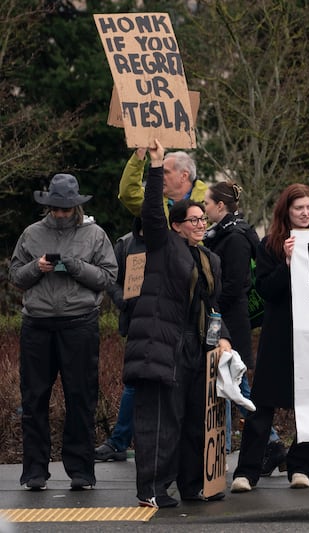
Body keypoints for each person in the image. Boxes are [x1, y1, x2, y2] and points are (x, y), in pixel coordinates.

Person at [123, 140, 232, 508]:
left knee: (192, 422)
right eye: (193, 220)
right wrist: (155, 164)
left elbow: (211, 306)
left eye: (204, 219)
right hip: (162, 343)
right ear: (176, 225)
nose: (201, 225)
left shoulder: (209, 259)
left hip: (196, 346)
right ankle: (152, 489)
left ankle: (191, 485)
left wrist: (224, 340)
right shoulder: (162, 243)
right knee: (160, 421)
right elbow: (152, 209)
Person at [10, 173, 117, 491]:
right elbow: (16, 275)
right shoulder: (31, 233)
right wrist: (36, 268)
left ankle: (82, 471)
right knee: (33, 400)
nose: (59, 214)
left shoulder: (95, 234)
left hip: (79, 324)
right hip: (37, 325)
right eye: (55, 208)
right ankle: (34, 473)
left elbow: (109, 276)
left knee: (81, 399)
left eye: (65, 209)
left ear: (76, 207)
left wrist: (75, 265)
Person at [231, 184, 309, 493]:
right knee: (262, 405)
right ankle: (247, 471)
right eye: (299, 208)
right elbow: (266, 291)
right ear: (286, 211)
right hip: (279, 335)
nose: (305, 213)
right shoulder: (269, 246)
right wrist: (288, 262)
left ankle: (301, 467)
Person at [203, 181, 288, 474]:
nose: (204, 208)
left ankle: (272, 442)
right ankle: (265, 443)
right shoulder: (226, 233)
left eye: (206, 203)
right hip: (225, 319)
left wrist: (210, 303)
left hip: (229, 320)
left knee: (237, 384)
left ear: (220, 206)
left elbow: (234, 284)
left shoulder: (235, 238)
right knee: (229, 383)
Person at [95, 216, 145, 463]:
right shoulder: (125, 244)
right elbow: (111, 278)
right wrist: (121, 299)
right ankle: (119, 441)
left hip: (168, 324)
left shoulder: (174, 243)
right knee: (133, 382)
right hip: (136, 323)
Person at [118, 146, 208, 217]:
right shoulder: (153, 199)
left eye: (166, 172)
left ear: (184, 176)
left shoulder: (210, 201)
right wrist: (140, 153)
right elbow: (129, 193)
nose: (160, 176)